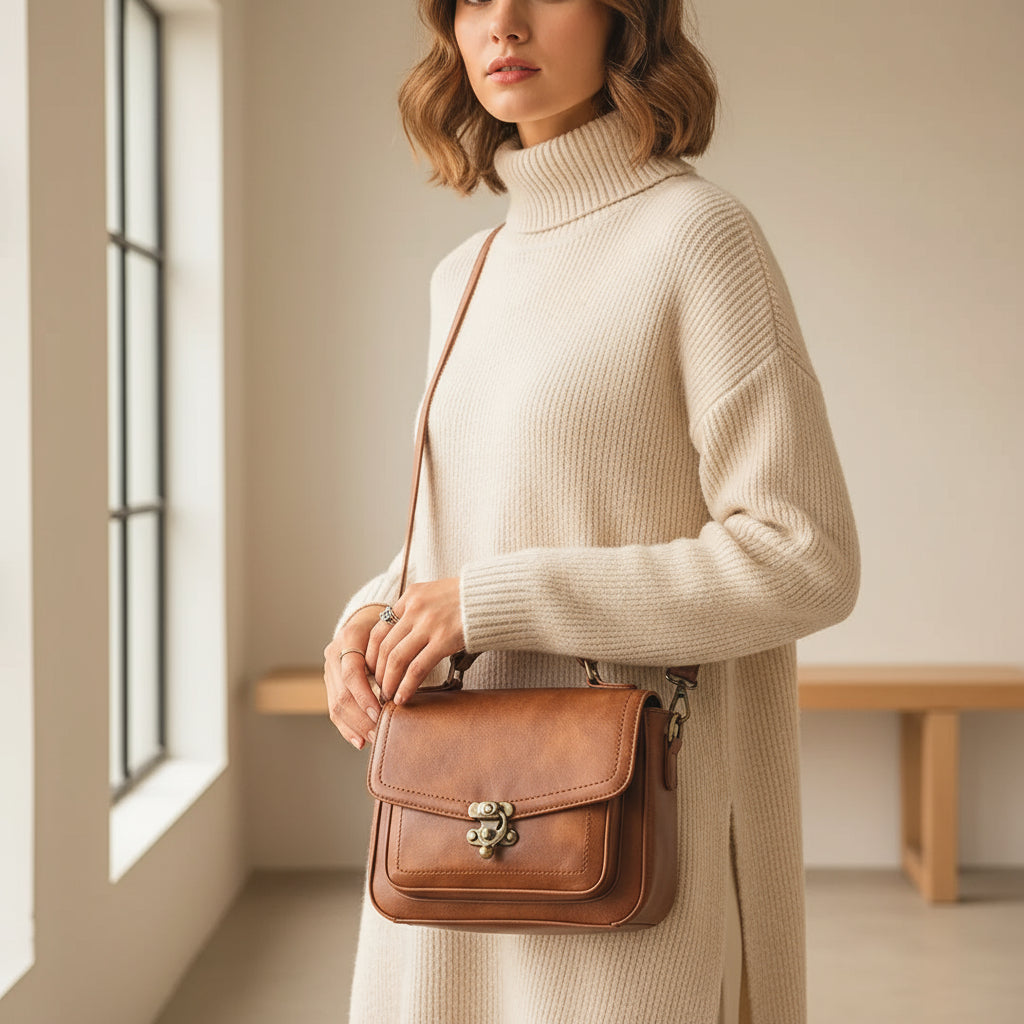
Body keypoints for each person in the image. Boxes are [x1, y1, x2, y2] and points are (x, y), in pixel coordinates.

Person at [323, 1, 860, 1021]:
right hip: (453, 824)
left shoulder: (697, 236)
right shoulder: (464, 272)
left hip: (623, 843)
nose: (505, 23)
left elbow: (802, 554)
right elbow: (467, 527)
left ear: (627, 18)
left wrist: (489, 602)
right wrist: (369, 616)